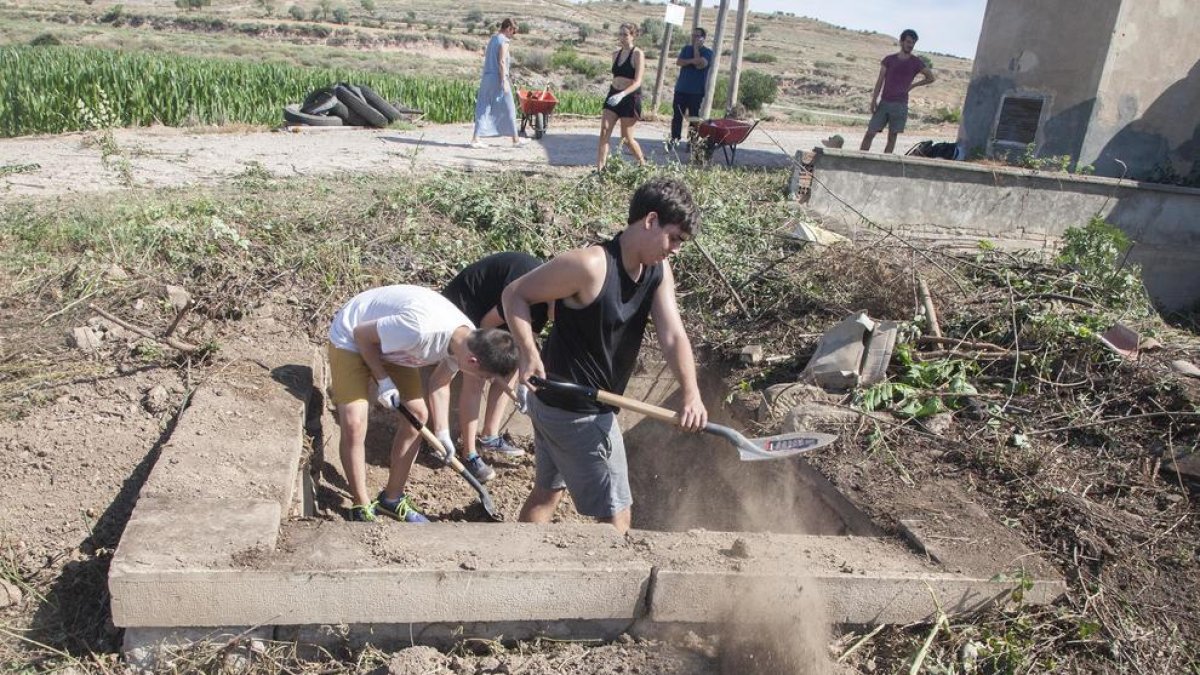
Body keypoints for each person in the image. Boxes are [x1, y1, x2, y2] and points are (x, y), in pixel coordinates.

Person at [501, 177, 708, 534]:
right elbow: (514, 294)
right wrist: (527, 351)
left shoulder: (657, 271)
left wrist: (691, 393)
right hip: (577, 410)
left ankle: (519, 566)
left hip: (560, 403)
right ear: (650, 220)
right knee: (616, 516)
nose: (675, 248)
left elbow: (672, 334)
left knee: (546, 494)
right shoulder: (591, 266)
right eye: (673, 237)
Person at [327, 284, 519, 523]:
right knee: (354, 422)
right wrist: (383, 380)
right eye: (483, 376)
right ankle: (361, 505)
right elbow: (361, 335)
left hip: (392, 346)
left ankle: (391, 499)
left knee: (417, 415)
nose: (482, 381)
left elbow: (439, 382)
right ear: (472, 361)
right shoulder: (419, 331)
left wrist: (443, 433)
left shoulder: (465, 339)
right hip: (353, 337)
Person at [441, 252, 551, 466]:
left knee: (512, 361)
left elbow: (523, 347)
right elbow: (486, 326)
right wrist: (491, 370)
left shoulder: (546, 305)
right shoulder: (532, 288)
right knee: (477, 374)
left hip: (490, 313)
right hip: (467, 303)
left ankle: (490, 437)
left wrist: (522, 388)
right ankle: (469, 453)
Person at [860, 29, 935, 154]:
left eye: (913, 43)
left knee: (892, 137)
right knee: (870, 133)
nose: (910, 45)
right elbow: (880, 81)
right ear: (901, 42)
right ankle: (859, 159)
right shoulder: (889, 60)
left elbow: (931, 78)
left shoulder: (916, 62)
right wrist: (874, 100)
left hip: (900, 105)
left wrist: (913, 85)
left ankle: (885, 164)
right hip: (884, 102)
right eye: (908, 42)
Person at [470, 18, 528, 149]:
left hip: (487, 78)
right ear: (509, 29)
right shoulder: (504, 41)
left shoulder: (493, 39)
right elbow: (502, 62)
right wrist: (504, 81)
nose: (513, 36)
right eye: (514, 32)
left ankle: (476, 139)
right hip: (498, 77)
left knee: (483, 106)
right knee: (510, 107)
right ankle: (515, 140)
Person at [597, 23, 646, 171]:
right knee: (604, 130)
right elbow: (616, 76)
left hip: (629, 98)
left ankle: (643, 166)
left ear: (633, 36)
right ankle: (600, 169)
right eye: (620, 34)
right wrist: (615, 93)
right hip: (613, 95)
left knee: (626, 139)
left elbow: (638, 81)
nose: (622, 38)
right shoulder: (615, 54)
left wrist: (623, 94)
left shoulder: (637, 54)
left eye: (625, 34)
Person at [670, 27, 713, 147]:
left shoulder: (708, 52)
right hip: (681, 89)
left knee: (694, 118)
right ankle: (675, 139)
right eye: (693, 35)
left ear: (703, 38)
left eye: (697, 36)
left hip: (696, 91)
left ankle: (692, 142)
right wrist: (693, 60)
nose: (694, 38)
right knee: (677, 116)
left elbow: (700, 65)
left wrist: (695, 49)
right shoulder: (685, 49)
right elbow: (679, 62)